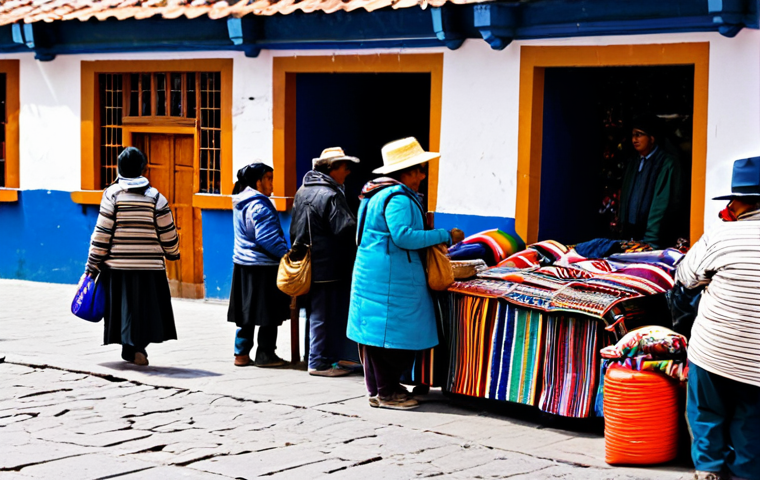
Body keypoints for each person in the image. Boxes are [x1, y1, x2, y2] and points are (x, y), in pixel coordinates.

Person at [347, 137, 464, 410]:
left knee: (377, 339)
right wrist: (445, 235)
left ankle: (380, 390)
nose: (422, 176)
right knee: (397, 339)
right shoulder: (398, 199)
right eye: (419, 170)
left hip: (375, 273)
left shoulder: (375, 194)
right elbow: (403, 236)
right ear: (406, 171)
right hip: (392, 278)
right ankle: (388, 394)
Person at [675, 156, 760, 480]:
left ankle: (709, 470)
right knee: (751, 418)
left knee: (707, 410)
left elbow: (685, 276)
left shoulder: (720, 235)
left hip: (715, 349)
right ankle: (747, 473)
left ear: (738, 202)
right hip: (756, 360)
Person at [85, 147, 180, 366]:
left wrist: (93, 264)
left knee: (123, 309)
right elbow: (167, 231)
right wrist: (172, 253)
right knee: (144, 308)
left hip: (118, 266)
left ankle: (130, 348)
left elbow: (102, 232)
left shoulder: (112, 195)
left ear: (119, 169)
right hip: (150, 267)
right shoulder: (156, 197)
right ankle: (138, 348)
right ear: (142, 169)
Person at [290, 147, 360, 377]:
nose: (348, 171)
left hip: (310, 260)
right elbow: (345, 228)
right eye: (344, 167)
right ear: (331, 168)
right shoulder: (329, 194)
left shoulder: (304, 190)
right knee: (323, 313)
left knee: (317, 312)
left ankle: (320, 357)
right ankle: (319, 362)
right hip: (328, 263)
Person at [228, 163, 290, 368]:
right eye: (269, 178)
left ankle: (241, 353)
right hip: (262, 266)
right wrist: (286, 254)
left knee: (246, 312)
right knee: (268, 313)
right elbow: (267, 238)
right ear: (258, 182)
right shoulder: (259, 205)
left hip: (243, 264)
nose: (272, 183)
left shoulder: (241, 202)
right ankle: (265, 354)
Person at [618, 113, 683, 248]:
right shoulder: (633, 162)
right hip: (630, 236)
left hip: (653, 241)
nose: (634, 139)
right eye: (633, 135)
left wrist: (651, 240)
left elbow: (662, 204)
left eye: (639, 134)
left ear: (652, 138)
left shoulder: (666, 163)